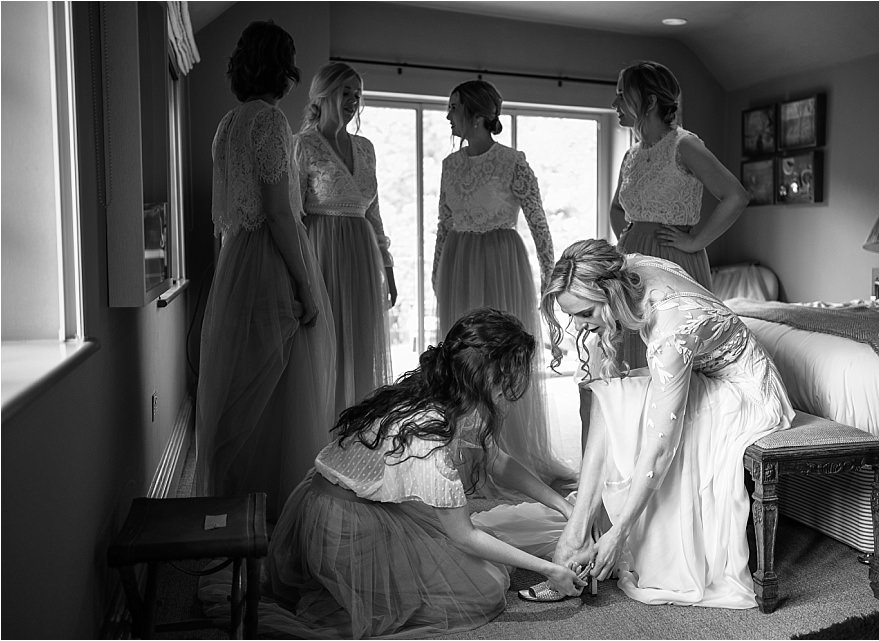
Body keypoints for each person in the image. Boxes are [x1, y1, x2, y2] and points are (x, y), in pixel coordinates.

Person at [215, 308, 585, 639]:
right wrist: (547, 569)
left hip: (339, 500)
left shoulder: (446, 390)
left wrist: (563, 506)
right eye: (513, 374)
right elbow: (464, 536)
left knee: (484, 561)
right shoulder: (431, 435)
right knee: (484, 587)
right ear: (488, 376)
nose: (517, 385)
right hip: (344, 524)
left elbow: (495, 460)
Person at [475, 239, 793, 608]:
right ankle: (579, 529)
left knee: (623, 408)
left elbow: (660, 450)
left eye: (586, 314)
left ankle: (586, 537)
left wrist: (620, 534)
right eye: (573, 316)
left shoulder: (671, 333)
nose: (579, 326)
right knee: (609, 396)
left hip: (745, 395)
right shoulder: (629, 267)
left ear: (609, 294)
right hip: (703, 373)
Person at [195, 21, 337, 520]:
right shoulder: (270, 122)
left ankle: (237, 509)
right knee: (278, 392)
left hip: (236, 260)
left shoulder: (226, 125)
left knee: (243, 392)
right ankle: (275, 513)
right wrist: (306, 286)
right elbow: (279, 213)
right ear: (283, 67)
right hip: (269, 262)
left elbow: (223, 216)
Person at [432, 79, 571, 489]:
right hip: (459, 262)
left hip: (501, 262)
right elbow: (443, 224)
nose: (448, 116)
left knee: (498, 358)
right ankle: (463, 452)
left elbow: (539, 223)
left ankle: (504, 452)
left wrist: (551, 277)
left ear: (477, 116)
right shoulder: (449, 165)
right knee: (460, 360)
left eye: (454, 107)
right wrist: (438, 271)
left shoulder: (513, 161)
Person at [610, 61, 749, 369]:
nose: (614, 103)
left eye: (622, 94)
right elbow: (617, 208)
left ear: (649, 101)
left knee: (673, 357)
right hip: (633, 265)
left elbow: (735, 196)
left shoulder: (684, 145)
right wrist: (630, 238)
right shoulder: (631, 154)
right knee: (635, 358)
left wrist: (695, 241)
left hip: (674, 262)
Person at [294, 61, 396, 420]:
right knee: (324, 347)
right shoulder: (302, 146)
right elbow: (293, 215)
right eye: (346, 92)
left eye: (357, 94)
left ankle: (356, 428)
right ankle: (321, 428)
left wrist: (388, 268)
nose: (353, 101)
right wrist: (297, 276)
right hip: (320, 254)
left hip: (362, 256)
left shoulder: (365, 148)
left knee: (360, 346)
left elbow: (375, 212)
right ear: (323, 94)